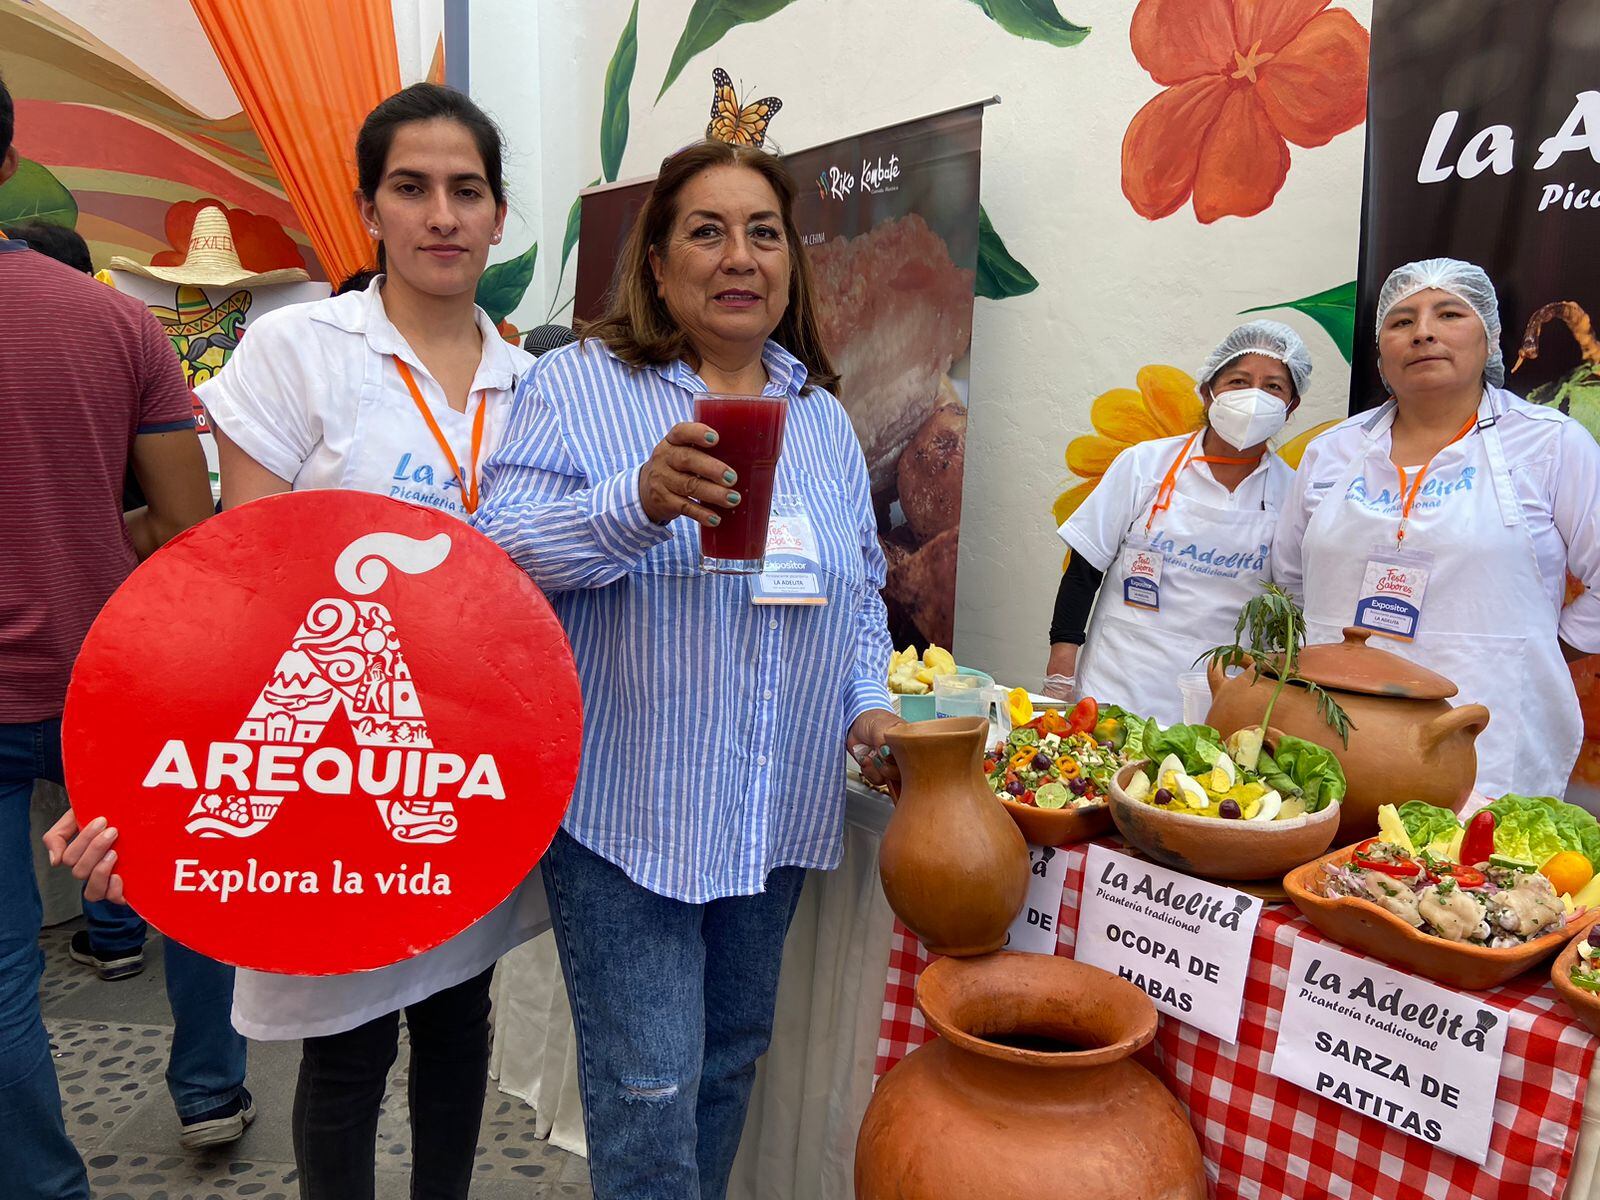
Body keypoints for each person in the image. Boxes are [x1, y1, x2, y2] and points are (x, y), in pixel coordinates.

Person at [49, 83, 538, 1200]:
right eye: (411, 189)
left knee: (461, 1013)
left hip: (464, 759)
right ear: (369, 206)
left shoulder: (535, 384)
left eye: (467, 191)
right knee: (347, 1036)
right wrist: (150, 772)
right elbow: (241, 588)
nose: (441, 215)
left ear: (499, 216)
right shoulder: (300, 349)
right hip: (329, 745)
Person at [474, 139, 899, 1200]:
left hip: (772, 814)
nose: (738, 256)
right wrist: (637, 500)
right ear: (657, 265)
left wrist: (872, 708)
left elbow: (858, 595)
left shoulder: (821, 421)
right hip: (632, 818)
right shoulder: (580, 384)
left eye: (762, 233)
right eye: (706, 231)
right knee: (652, 1093)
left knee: (724, 1063)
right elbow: (498, 554)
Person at [0, 72, 230, 1199]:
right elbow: (187, 519)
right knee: (185, 882)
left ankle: (45, 1183)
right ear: (9, 165)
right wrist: (90, 524)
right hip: (109, 668)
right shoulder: (114, 319)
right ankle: (210, 1089)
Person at [1276, 258, 1600, 798]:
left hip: (1489, 742)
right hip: (1331, 738)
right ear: (1381, 350)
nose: (1423, 331)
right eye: (1401, 321)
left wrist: (1539, 649)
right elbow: (1289, 577)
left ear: (1492, 340)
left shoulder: (1550, 444)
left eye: (1449, 314)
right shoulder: (1332, 451)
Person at [1047, 320, 1310, 724]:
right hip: (1116, 685)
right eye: (1238, 381)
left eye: (1273, 387)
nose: (1254, 397)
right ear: (1208, 392)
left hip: (1221, 700)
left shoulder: (1292, 492)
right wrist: (1060, 675)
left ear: (1290, 408)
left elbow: (1289, 614)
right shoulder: (1144, 464)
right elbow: (1084, 569)